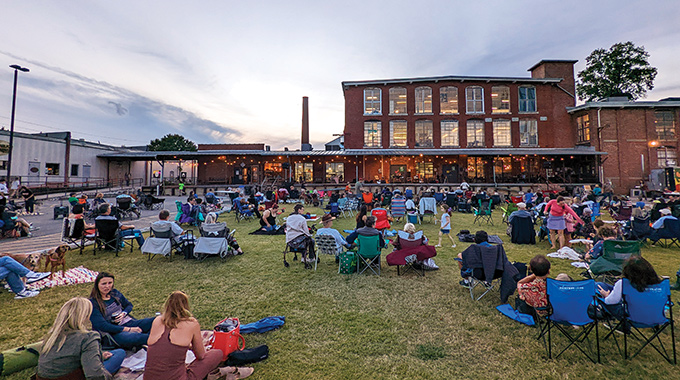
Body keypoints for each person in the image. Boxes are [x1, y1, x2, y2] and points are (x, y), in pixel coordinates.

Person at [144, 291, 253, 380]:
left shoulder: (157, 321)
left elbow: (165, 347)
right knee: (216, 353)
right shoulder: (191, 324)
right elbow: (201, 355)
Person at [36, 297, 126, 380]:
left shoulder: (52, 335)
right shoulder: (88, 337)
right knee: (119, 354)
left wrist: (100, 356)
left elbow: (68, 356)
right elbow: (95, 374)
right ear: (85, 316)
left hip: (45, 377)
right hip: (72, 376)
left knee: (114, 353)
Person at [89, 272, 154, 349]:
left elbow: (129, 305)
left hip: (128, 322)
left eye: (110, 283)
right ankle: (150, 342)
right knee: (142, 337)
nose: (107, 286)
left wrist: (123, 313)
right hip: (113, 332)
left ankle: (143, 344)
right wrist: (128, 329)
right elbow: (102, 326)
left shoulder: (115, 293)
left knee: (157, 320)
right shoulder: (93, 303)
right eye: (104, 284)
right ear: (97, 285)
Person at [597, 257, 662, 326]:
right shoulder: (659, 285)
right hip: (656, 316)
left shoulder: (624, 284)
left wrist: (606, 295)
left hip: (633, 317)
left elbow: (610, 302)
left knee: (600, 292)